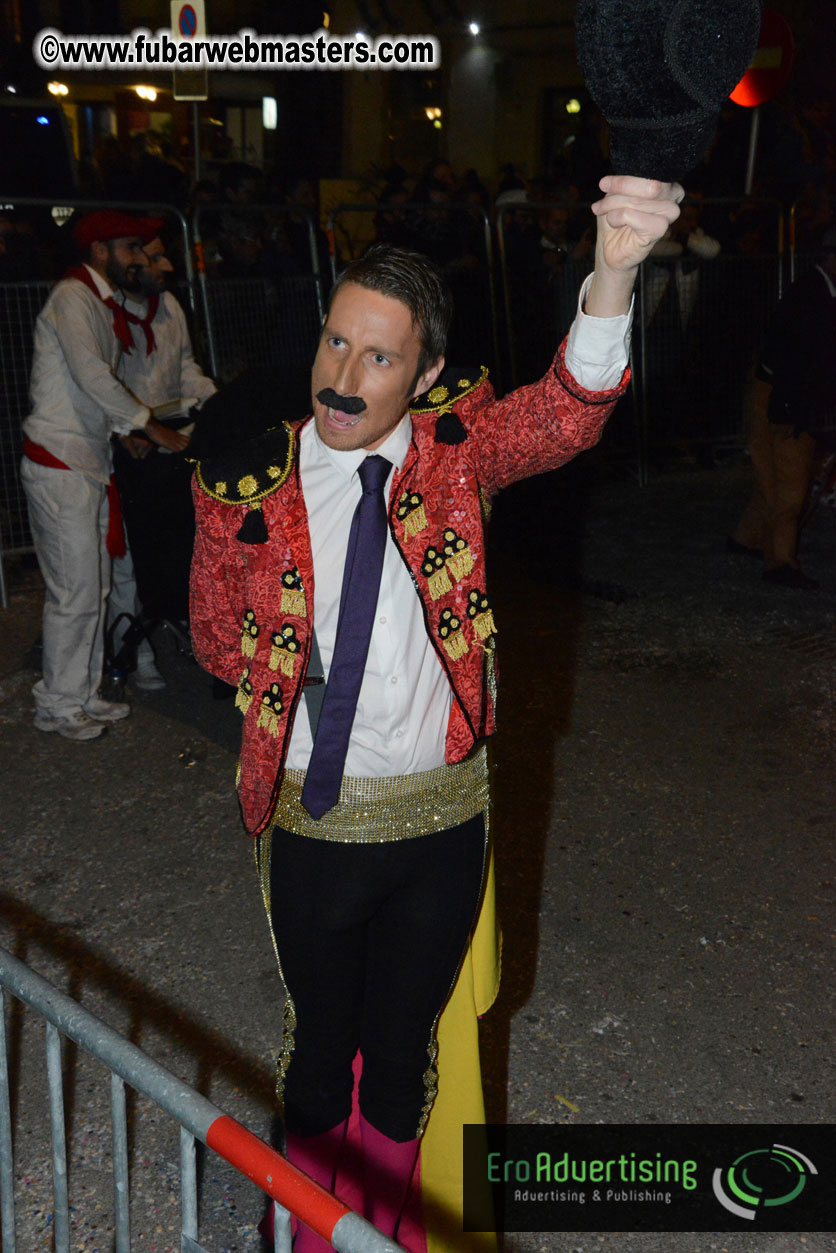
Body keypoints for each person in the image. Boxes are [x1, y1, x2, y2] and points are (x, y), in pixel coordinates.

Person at [189, 175, 682, 1250]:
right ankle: (317, 1235)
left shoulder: (455, 457)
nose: (341, 375)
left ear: (424, 372)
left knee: (406, 1048)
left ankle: (392, 1231)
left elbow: (564, 413)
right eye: (333, 342)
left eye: (376, 355)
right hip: (318, 823)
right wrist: (289, 664)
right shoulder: (246, 478)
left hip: (444, 820)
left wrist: (612, 268)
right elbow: (214, 636)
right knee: (320, 1049)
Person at [21, 210, 188, 741]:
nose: (140, 257)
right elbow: (91, 375)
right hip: (61, 462)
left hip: (84, 460)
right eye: (131, 247)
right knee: (75, 590)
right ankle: (57, 702)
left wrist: (126, 429)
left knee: (89, 587)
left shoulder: (95, 302)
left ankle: (80, 692)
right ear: (100, 252)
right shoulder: (73, 299)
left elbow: (93, 387)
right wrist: (151, 428)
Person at [110, 232, 217, 685]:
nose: (167, 267)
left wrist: (214, 400)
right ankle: (129, 648)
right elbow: (104, 384)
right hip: (128, 441)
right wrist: (128, 431)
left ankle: (189, 625)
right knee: (129, 553)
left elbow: (185, 367)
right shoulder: (107, 314)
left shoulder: (169, 306)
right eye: (155, 258)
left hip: (172, 436)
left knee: (177, 538)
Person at [731, 226, 836, 588]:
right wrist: (791, 413)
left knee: (772, 474)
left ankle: (746, 537)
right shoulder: (810, 297)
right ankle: (780, 563)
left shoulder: (818, 291)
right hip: (782, 395)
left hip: (783, 391)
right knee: (789, 486)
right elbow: (792, 362)